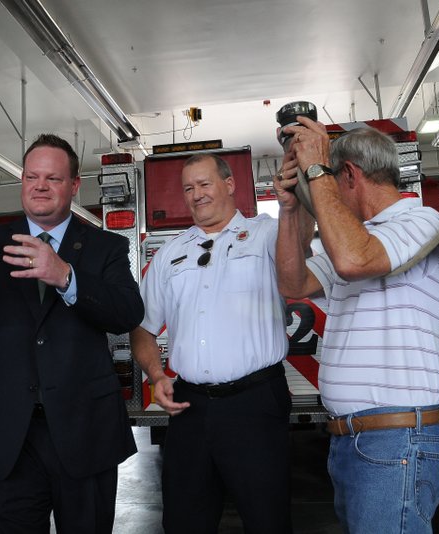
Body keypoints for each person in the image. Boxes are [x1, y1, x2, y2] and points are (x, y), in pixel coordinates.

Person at [0, 133, 143, 533]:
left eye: (53, 178)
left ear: (74, 185)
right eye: (31, 177)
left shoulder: (104, 246)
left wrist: (65, 275)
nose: (40, 186)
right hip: (6, 432)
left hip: (84, 428)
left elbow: (127, 313)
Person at [274, 122, 439, 534]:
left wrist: (316, 170)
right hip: (352, 439)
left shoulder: (422, 223)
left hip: (395, 439)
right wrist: (289, 208)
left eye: (330, 180)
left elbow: (355, 261)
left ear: (349, 175)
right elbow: (293, 283)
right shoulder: (356, 236)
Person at [130, 154, 293, 534]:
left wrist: (293, 203)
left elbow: (299, 252)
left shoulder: (266, 233)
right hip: (190, 408)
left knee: (268, 520)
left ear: (229, 184)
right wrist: (156, 375)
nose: (196, 195)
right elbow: (142, 328)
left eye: (204, 184)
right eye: (188, 188)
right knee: (185, 521)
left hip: (255, 403)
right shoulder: (170, 253)